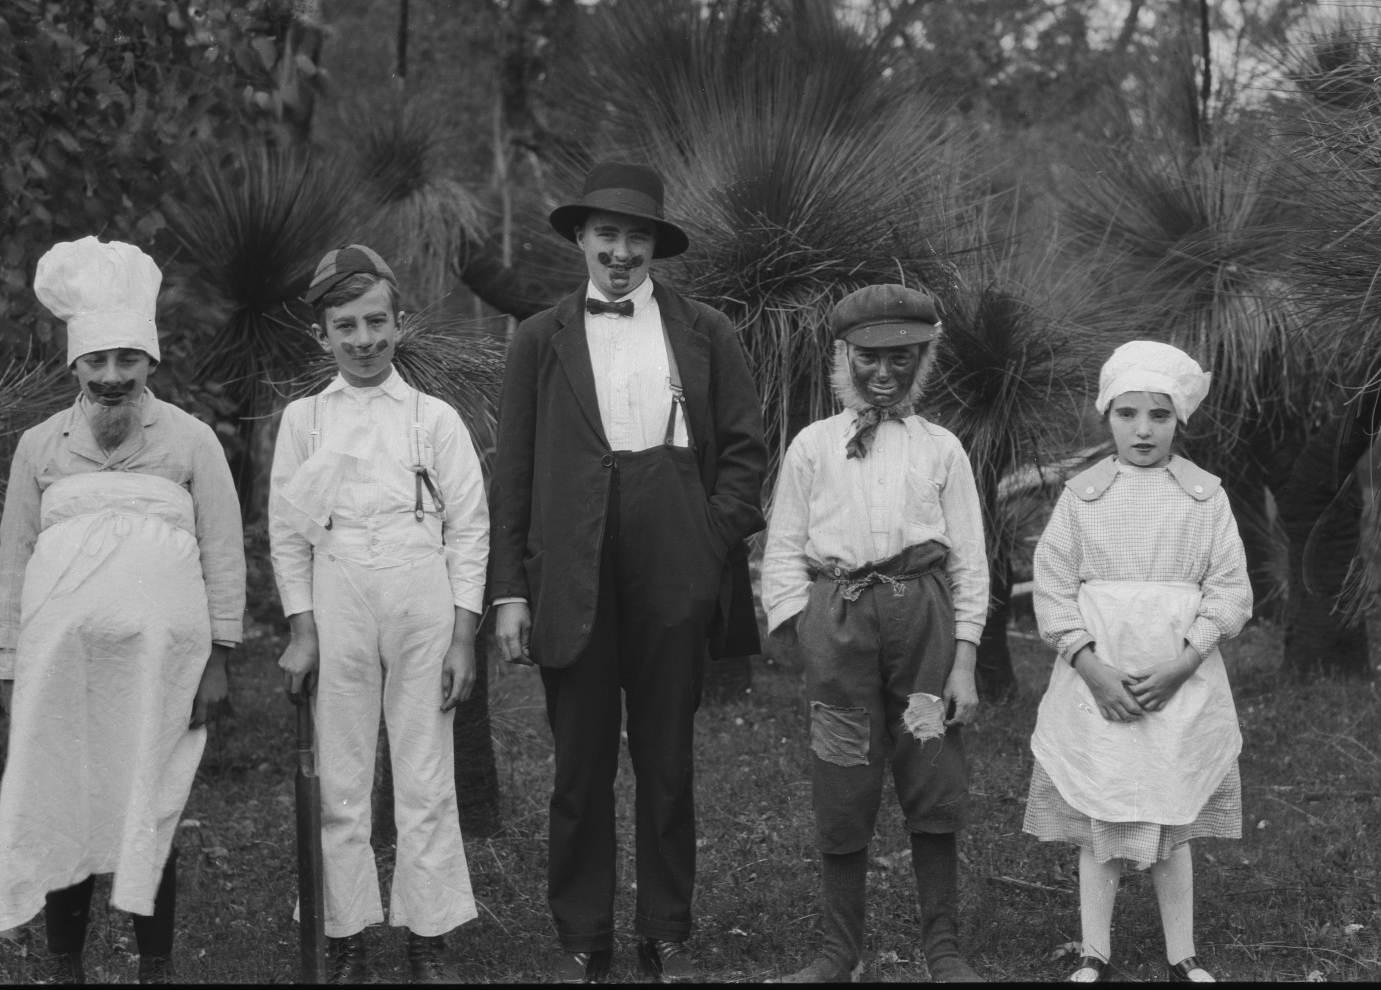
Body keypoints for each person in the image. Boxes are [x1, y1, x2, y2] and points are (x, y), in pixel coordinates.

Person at [488, 162, 767, 983]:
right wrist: (511, 589)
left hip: (673, 564)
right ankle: (584, 935)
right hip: (570, 569)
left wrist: (706, 540)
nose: (620, 252)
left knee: (666, 761)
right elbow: (514, 473)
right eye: (606, 235)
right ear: (580, 238)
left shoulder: (706, 331)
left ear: (655, 247)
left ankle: (667, 930)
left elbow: (745, 453)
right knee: (579, 766)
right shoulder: (539, 338)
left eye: (636, 237)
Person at [0, 237, 246, 985]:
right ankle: (65, 966)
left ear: (150, 363)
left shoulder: (193, 441)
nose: (111, 378)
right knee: (64, 802)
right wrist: (9, 661)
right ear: (73, 365)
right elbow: (15, 557)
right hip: (60, 668)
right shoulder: (40, 447)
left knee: (149, 807)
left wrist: (218, 660)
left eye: (127, 360)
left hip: (161, 671)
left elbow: (223, 550)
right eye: (96, 362)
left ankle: (153, 968)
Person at [270, 245, 490, 985]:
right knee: (341, 777)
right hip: (338, 597)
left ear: (399, 324)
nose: (363, 340)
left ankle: (429, 938)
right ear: (322, 336)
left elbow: (470, 528)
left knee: (425, 773)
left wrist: (463, 634)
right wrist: (303, 628)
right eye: (346, 327)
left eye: (375, 322)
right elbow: (287, 534)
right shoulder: (304, 421)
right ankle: (346, 937)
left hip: (421, 595)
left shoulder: (435, 419)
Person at [761, 284, 990, 983]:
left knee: (932, 768)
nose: (884, 372)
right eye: (869, 358)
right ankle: (837, 951)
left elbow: (969, 559)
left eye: (901, 357)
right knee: (841, 772)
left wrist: (964, 661)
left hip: (923, 621)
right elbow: (783, 544)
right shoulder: (813, 445)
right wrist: (804, 629)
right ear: (844, 356)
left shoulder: (940, 448)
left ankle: (943, 948)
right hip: (840, 622)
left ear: (923, 359)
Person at [1025, 341, 1250, 983]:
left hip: (1177, 681)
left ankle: (1183, 952)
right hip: (1098, 681)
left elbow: (1230, 589)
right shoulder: (1083, 496)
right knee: (1103, 808)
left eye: (1159, 415)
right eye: (1127, 414)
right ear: (1108, 416)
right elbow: (1053, 586)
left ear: (1179, 420)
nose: (1143, 430)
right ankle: (1094, 950)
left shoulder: (1205, 498)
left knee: (1170, 812)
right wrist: (1089, 667)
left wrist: (1184, 664)